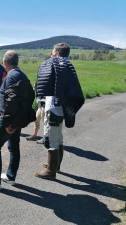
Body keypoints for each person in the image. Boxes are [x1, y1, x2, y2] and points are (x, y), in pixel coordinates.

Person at [0, 50, 36, 192]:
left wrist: (9, 124)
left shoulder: (11, 77)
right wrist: (18, 123)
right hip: (18, 118)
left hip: (9, 119)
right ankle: (10, 176)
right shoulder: (22, 76)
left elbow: (10, 102)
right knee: (14, 146)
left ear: (4, 63)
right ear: (17, 61)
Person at [34, 43, 84, 180]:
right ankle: (55, 165)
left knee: (51, 138)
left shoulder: (56, 64)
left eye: (52, 52)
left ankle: (51, 171)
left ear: (56, 54)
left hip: (54, 106)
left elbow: (45, 84)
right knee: (58, 137)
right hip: (62, 106)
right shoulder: (68, 65)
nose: (51, 55)